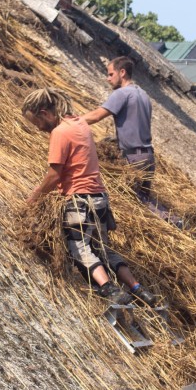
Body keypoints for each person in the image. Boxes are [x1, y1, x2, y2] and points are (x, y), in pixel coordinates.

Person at [22, 87, 157, 307]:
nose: (38, 129)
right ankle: (137, 288)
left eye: (37, 123)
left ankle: (109, 288)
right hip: (100, 198)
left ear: (45, 113)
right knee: (104, 248)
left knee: (80, 247)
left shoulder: (59, 133)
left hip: (80, 201)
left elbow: (54, 175)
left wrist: (34, 197)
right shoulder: (79, 124)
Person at [82, 56, 179, 224]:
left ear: (122, 72)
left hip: (134, 157)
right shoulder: (142, 94)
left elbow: (96, 116)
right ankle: (172, 220)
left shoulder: (122, 94)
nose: (108, 78)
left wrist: (69, 122)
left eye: (111, 74)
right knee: (145, 198)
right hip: (147, 155)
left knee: (137, 200)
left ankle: (171, 221)